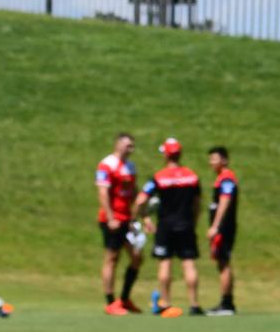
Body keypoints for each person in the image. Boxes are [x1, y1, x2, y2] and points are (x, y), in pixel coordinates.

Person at [134, 137, 205, 317]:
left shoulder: (159, 177)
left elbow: (141, 200)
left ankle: (165, 302)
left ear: (166, 155)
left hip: (165, 225)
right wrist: (194, 221)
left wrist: (144, 217)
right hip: (186, 224)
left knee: (165, 262)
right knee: (189, 263)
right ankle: (194, 304)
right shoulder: (192, 176)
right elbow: (197, 203)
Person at [96, 132, 144, 315]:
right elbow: (103, 192)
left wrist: (138, 216)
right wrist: (110, 217)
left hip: (127, 220)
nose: (131, 149)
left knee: (137, 257)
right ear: (118, 145)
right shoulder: (107, 164)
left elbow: (133, 192)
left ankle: (124, 298)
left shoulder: (130, 166)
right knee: (112, 258)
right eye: (128, 145)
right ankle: (110, 302)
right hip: (112, 219)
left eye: (132, 146)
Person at [205, 145, 239, 315]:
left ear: (224, 160)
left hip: (224, 228)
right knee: (222, 262)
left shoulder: (227, 179)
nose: (211, 162)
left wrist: (215, 226)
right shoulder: (221, 178)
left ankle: (226, 304)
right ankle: (227, 302)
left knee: (223, 262)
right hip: (222, 228)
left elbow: (225, 200)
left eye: (214, 158)